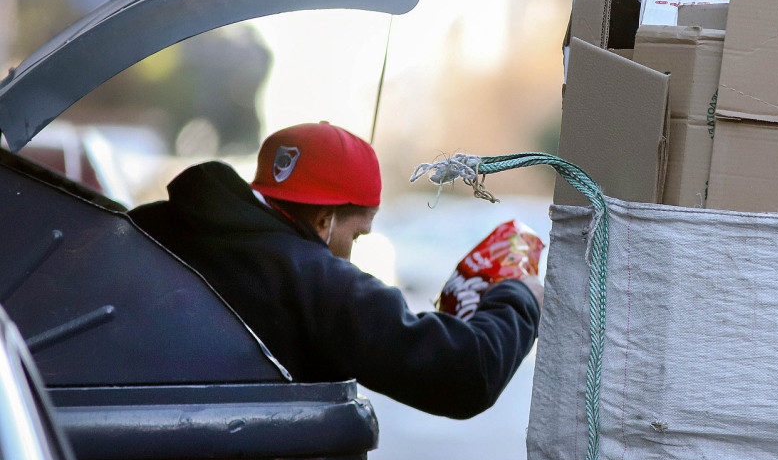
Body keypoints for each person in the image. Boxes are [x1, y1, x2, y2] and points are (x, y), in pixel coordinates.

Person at [130, 121, 542, 419]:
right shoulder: (315, 282)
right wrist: (519, 296)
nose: (351, 255)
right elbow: (468, 375)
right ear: (325, 220)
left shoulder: (153, 226)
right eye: (358, 235)